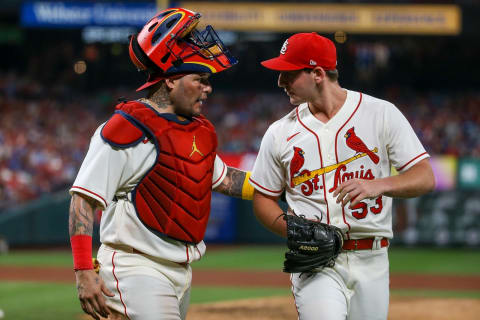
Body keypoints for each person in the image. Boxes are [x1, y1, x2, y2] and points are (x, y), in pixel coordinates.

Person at [68, 8, 254, 320]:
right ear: (170, 80)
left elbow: (224, 180)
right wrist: (84, 271)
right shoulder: (125, 127)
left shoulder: (198, 129)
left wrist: (282, 184)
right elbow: (82, 201)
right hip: (133, 266)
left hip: (181, 271)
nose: (208, 89)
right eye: (200, 79)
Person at [249, 32, 435, 320]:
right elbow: (264, 198)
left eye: (288, 73)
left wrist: (379, 184)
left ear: (318, 73)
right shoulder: (280, 132)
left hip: (372, 256)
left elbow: (424, 177)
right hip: (316, 261)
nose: (280, 82)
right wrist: (295, 231)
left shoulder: (381, 113)